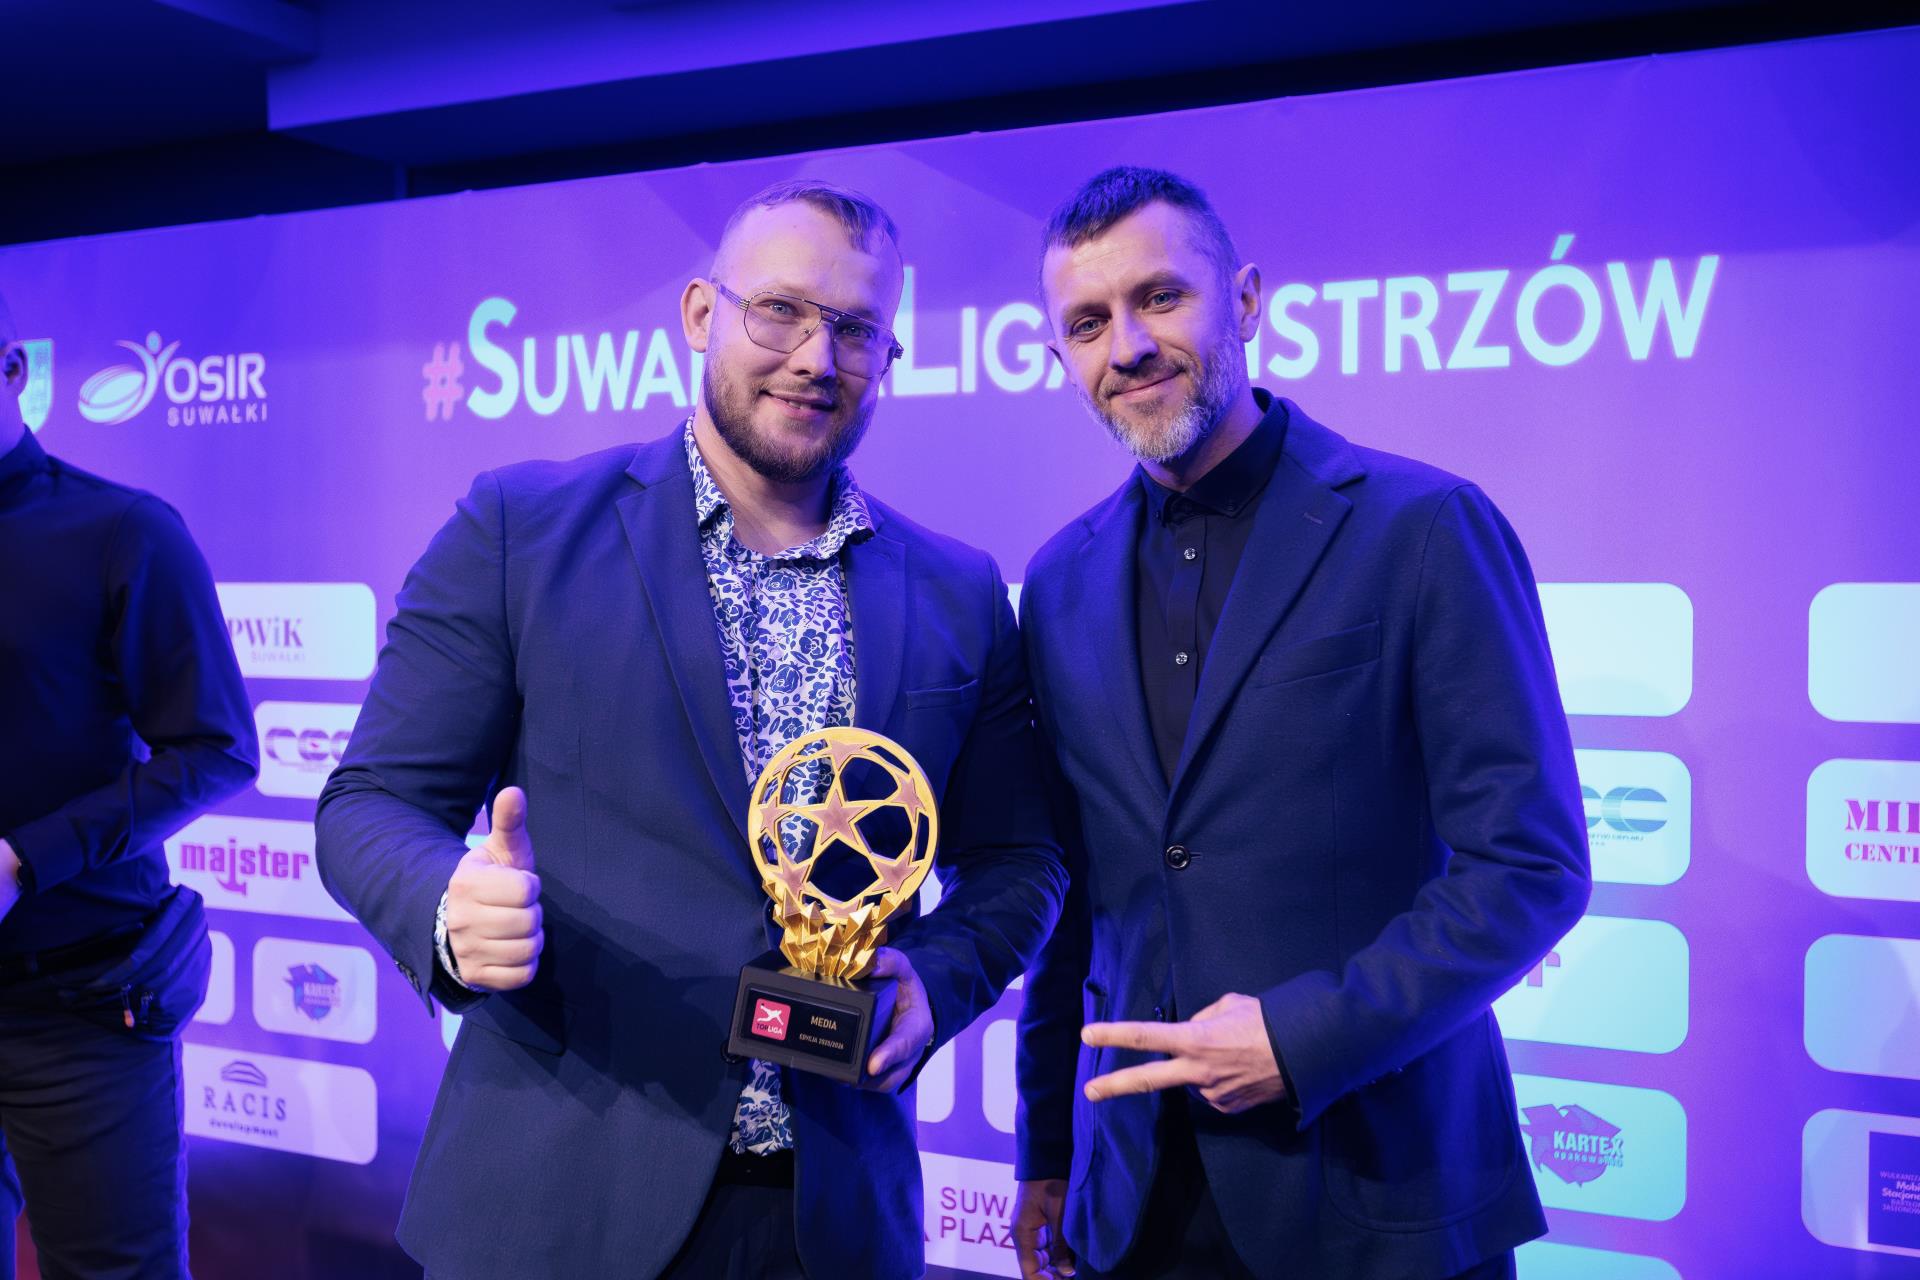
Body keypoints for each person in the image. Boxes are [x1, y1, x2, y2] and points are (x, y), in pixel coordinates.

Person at [315, 180, 1065, 1280]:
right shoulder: (521, 529)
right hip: (558, 1205)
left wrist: (938, 980)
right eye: (782, 311)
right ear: (702, 314)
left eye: (857, 329)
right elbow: (368, 803)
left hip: (833, 1219)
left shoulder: (957, 589)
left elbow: (1021, 859)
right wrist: (445, 906)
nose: (817, 357)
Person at [1011, 167, 1591, 1280]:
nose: (1127, 345)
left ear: (1245, 300)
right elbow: (1075, 899)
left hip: (1381, 1194)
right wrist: (1049, 1148)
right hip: (1134, 1206)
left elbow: (1530, 867)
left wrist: (1300, 1038)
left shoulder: (1425, 527)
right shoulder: (1060, 579)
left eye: (1160, 297)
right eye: (1087, 322)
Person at [0, 297, 258, 1279]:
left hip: (81, 1006)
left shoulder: (121, 530)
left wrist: (24, 860)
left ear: (14, 368)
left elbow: (217, 749)